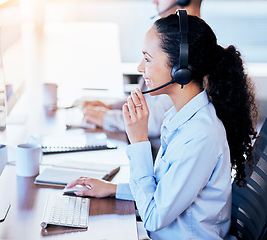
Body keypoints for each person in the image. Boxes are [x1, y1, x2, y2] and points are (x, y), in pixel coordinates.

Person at [67, 12, 258, 239]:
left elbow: (154, 217)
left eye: (147, 59)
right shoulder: (178, 116)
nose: (140, 67)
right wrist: (114, 189)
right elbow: (162, 191)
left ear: (180, 69)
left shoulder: (200, 136)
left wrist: (138, 140)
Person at [82, 0, 203, 138]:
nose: (154, 1)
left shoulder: (190, 52)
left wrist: (106, 117)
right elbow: (145, 100)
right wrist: (111, 107)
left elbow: (154, 121)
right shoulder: (166, 43)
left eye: (147, 59)